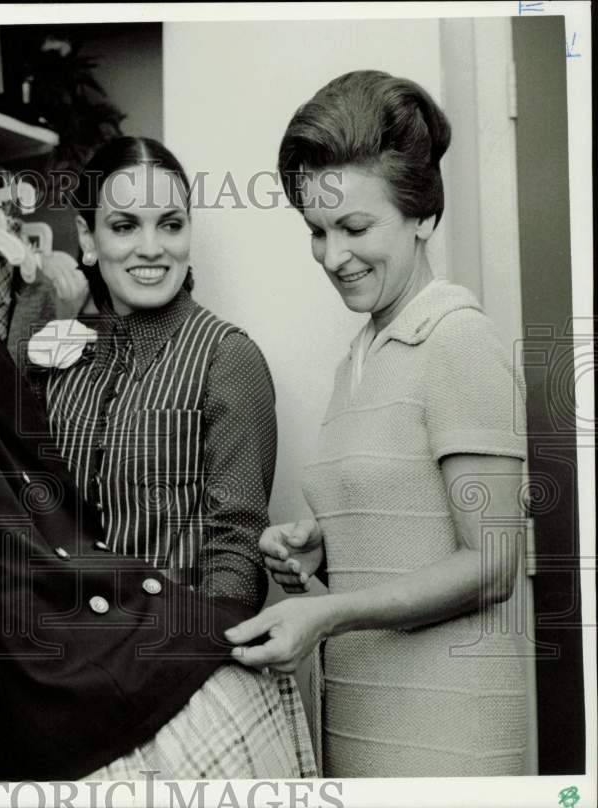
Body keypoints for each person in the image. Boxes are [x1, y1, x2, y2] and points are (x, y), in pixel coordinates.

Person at [226, 70, 529, 777]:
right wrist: (319, 552)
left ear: (423, 214)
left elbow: (493, 562)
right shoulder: (359, 356)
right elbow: (413, 524)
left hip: (450, 735)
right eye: (317, 232)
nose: (334, 257)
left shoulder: (456, 339)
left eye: (356, 227)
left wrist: (328, 614)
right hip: (363, 720)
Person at [27, 136, 315, 779]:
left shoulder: (227, 357)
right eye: (125, 225)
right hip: (69, 692)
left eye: (171, 224)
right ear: (89, 238)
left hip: (186, 693)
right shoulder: (59, 356)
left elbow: (236, 554)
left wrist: (183, 674)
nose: (152, 248)